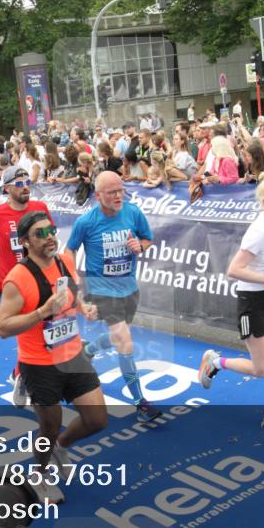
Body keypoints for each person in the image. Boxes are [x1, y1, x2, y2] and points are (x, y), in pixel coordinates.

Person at [0, 210, 107, 502]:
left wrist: (84, 307)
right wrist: (43, 311)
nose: (49, 238)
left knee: (97, 419)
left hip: (73, 355)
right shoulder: (18, 278)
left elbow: (75, 292)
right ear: (25, 242)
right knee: (48, 425)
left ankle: (62, 445)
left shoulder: (65, 260)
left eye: (51, 231)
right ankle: (40, 476)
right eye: (40, 234)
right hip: (39, 363)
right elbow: (4, 328)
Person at [198, 175, 264, 434]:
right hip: (253, 302)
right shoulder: (258, 231)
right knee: (261, 370)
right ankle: (216, 362)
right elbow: (233, 270)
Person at [65, 171, 162, 423]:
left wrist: (140, 247)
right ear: (98, 196)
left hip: (129, 288)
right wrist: (73, 278)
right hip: (100, 289)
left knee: (120, 337)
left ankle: (89, 349)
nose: (119, 195)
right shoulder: (86, 222)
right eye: (112, 192)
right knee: (125, 341)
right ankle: (141, 403)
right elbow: (70, 249)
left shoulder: (133, 212)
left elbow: (148, 239)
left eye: (121, 190)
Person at [0, 167, 53, 405]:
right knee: (26, 333)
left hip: (42, 280)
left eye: (27, 181)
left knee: (45, 333)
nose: (25, 186)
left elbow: (49, 240)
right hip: (12, 284)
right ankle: (23, 374)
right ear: (7, 188)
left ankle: (20, 373)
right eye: (19, 183)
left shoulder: (40, 208)